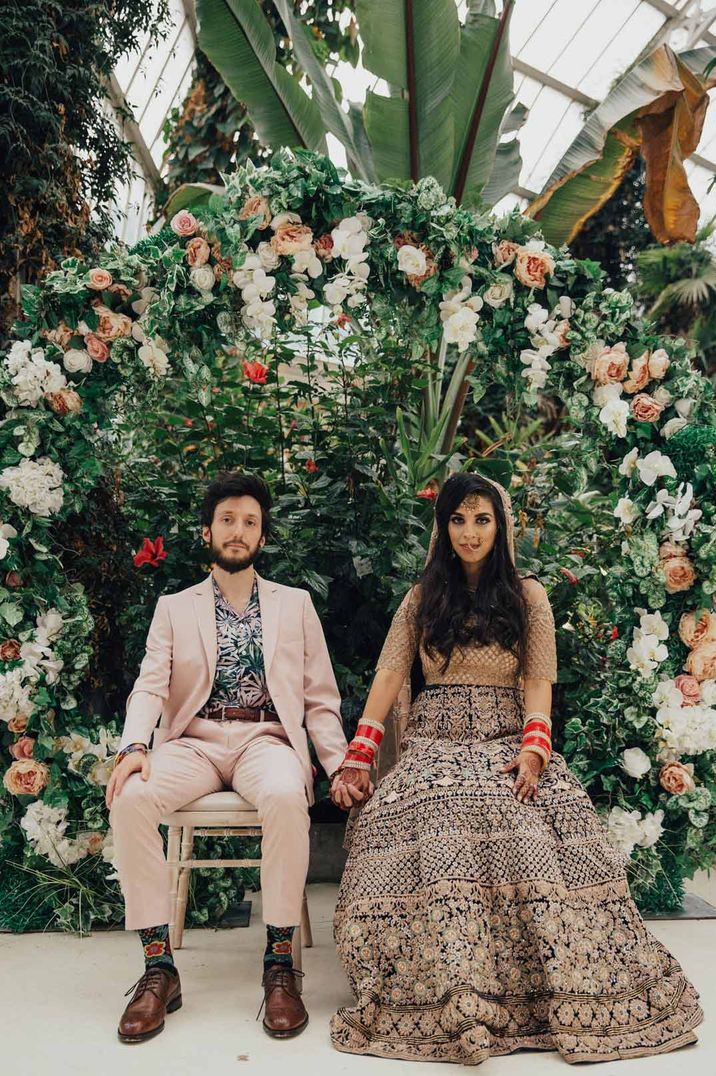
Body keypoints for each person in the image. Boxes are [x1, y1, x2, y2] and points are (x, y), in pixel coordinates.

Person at [328, 472, 703, 1064]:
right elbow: (389, 677)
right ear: (443, 527)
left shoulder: (528, 596)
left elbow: (539, 682)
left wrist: (533, 751)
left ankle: (539, 985)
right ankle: (447, 984)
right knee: (432, 809)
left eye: (482, 519)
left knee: (529, 818)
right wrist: (360, 755)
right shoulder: (422, 597)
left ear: (501, 525)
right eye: (458, 520)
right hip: (436, 742)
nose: (470, 532)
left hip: (508, 739)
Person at [106, 471, 360, 1043]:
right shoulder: (174, 608)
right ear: (208, 531)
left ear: (262, 536)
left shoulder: (295, 605)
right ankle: (158, 970)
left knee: (283, 795)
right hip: (192, 742)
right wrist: (134, 748)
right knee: (132, 797)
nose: (238, 530)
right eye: (228, 520)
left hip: (265, 741)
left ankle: (278, 966)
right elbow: (149, 686)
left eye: (250, 521)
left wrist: (339, 762)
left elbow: (320, 698)